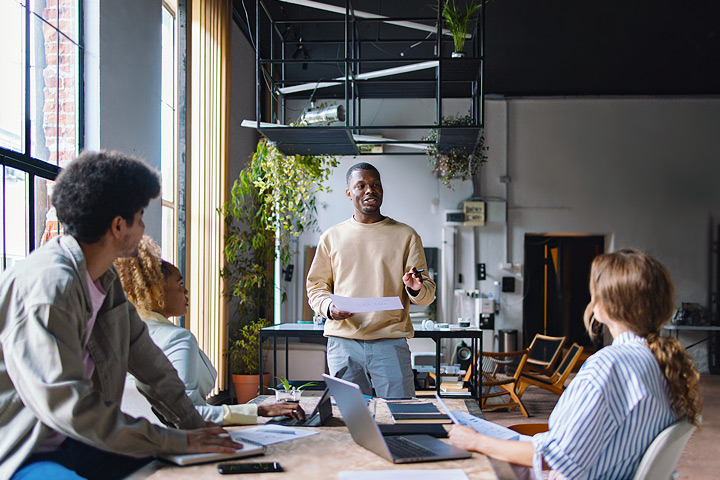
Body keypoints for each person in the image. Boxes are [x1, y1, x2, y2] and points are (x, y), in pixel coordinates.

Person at [0, 151, 242, 480]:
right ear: (118, 226)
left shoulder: (104, 281)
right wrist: (173, 441)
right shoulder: (49, 287)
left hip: (75, 443)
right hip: (24, 452)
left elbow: (152, 367)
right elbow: (69, 406)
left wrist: (202, 433)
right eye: (140, 217)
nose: (143, 228)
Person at [448, 249, 702, 480]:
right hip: (600, 464)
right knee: (462, 420)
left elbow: (554, 457)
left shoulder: (609, 366)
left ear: (605, 307)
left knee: (458, 432)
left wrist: (477, 442)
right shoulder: (664, 363)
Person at [114, 236, 305, 425]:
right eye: (180, 284)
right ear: (157, 292)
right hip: (181, 441)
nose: (186, 291)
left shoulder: (122, 332)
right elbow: (189, 414)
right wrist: (260, 410)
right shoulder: (177, 338)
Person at [306, 162, 436, 398]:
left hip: (390, 341)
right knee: (350, 417)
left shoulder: (406, 235)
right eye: (361, 185)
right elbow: (316, 287)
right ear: (349, 193)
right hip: (343, 340)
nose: (370, 190)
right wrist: (329, 308)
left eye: (375, 185)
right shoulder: (331, 237)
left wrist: (416, 289)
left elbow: (426, 296)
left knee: (401, 414)